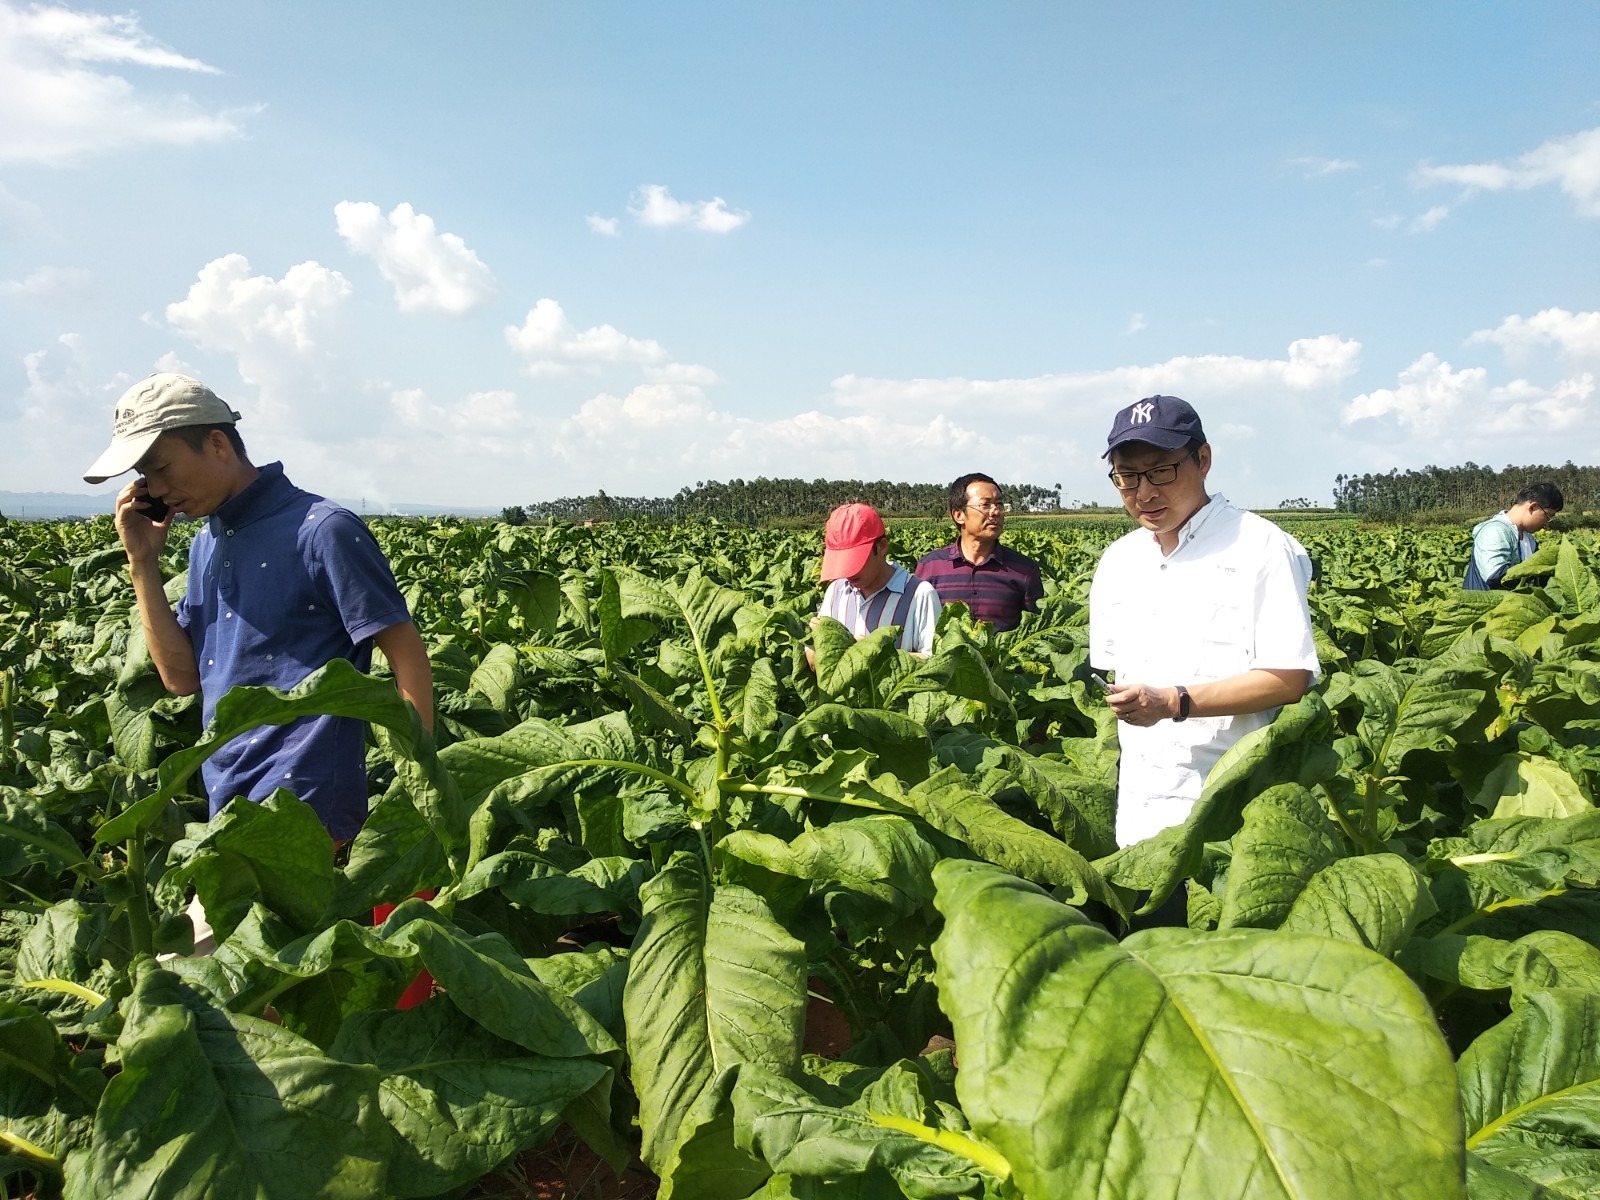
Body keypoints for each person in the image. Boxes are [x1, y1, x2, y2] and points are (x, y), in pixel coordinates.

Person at [84, 373, 434, 843]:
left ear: (217, 444)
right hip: (227, 806)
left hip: (306, 815)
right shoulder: (205, 542)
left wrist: (420, 790)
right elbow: (181, 679)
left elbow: (406, 653)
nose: (155, 488)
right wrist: (142, 562)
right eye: (144, 476)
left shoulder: (322, 530)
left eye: (161, 467)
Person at [1088, 395, 1319, 848]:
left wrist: (1174, 702)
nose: (1145, 493)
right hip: (1140, 813)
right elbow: (1113, 669)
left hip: (1228, 816)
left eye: (1160, 471)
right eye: (1127, 477)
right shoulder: (1120, 560)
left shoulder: (1261, 547)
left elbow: (1289, 677)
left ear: (1204, 460)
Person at [914, 473, 1044, 632]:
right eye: (986, 505)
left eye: (1000, 505)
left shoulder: (1024, 570)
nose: (996, 512)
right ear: (959, 515)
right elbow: (916, 627)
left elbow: (1036, 630)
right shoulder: (930, 566)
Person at [813, 502, 942, 658]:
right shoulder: (835, 591)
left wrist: (875, 653)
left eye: (855, 560)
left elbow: (936, 662)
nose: (849, 572)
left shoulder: (920, 594)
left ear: (881, 547)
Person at [1463, 483, 1564, 590]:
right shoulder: (1494, 531)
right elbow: (1495, 576)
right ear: (1532, 507)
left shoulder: (1529, 538)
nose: (1546, 524)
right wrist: (1536, 571)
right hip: (1488, 605)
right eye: (1547, 516)